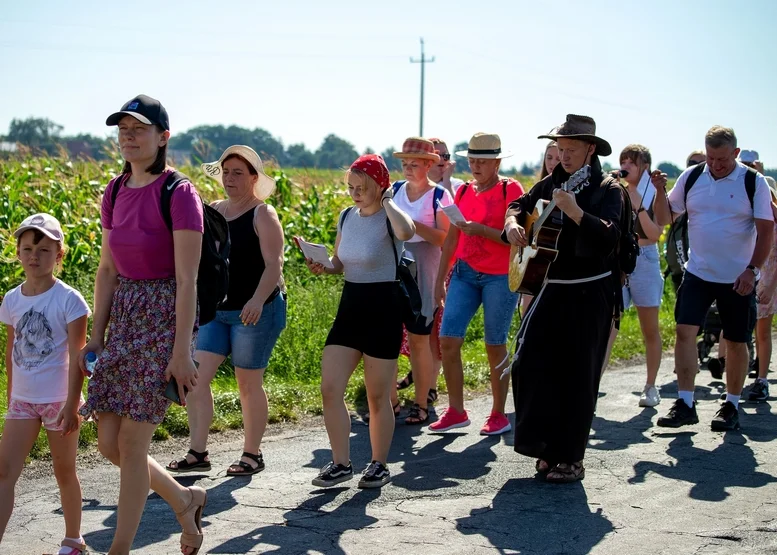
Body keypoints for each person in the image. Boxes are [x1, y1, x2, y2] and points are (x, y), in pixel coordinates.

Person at [78, 95, 207, 555]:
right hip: (125, 315)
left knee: (133, 443)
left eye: (139, 129)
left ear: (162, 137)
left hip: (165, 315)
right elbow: (107, 270)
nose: (129, 138)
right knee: (109, 444)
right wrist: (96, 337)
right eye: (123, 131)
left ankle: (119, 549)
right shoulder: (113, 191)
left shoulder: (179, 192)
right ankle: (185, 499)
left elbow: (188, 278)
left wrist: (181, 350)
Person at [503, 114, 624, 482]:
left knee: (578, 375)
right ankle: (544, 447)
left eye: (570, 150)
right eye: (559, 149)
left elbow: (610, 237)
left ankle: (571, 457)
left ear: (590, 149)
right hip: (551, 287)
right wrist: (511, 224)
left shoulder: (608, 189)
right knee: (530, 364)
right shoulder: (550, 182)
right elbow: (518, 206)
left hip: (591, 291)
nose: (563, 156)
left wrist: (575, 212)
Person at [167, 146, 286, 476]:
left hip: (256, 310)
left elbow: (274, 264)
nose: (230, 178)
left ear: (253, 179)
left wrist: (257, 301)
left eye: (238, 173)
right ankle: (198, 452)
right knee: (196, 379)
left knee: (247, 383)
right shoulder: (212, 211)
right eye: (226, 172)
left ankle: (252, 454)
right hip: (216, 311)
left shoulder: (263, 214)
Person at [652, 126, 773, 432]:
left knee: (735, 340)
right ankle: (685, 402)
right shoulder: (692, 177)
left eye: (722, 159)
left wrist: (753, 270)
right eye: (710, 158)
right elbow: (666, 217)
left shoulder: (751, 181)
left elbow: (766, 228)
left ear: (735, 153)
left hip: (738, 275)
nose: (716, 165)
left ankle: (731, 404)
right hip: (699, 271)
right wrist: (657, 192)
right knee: (684, 331)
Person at [306, 154, 415, 489]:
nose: (354, 193)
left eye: (361, 187)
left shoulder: (390, 218)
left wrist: (388, 202)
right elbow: (341, 261)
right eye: (350, 187)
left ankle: (379, 464)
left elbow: (407, 232)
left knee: (377, 396)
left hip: (384, 307)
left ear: (379, 186)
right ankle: (341, 463)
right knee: (330, 387)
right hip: (350, 306)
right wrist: (325, 265)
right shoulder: (346, 217)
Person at [0, 214, 90, 554]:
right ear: (19, 253)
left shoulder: (70, 300)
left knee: (64, 470)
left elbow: (77, 355)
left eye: (43, 249)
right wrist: (11, 397)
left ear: (59, 254)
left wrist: (71, 405)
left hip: (58, 400)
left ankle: (73, 540)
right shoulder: (12, 300)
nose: (34, 256)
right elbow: (12, 350)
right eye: (27, 249)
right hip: (22, 401)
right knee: (4, 471)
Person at [431, 133, 524, 435]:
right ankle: (456, 410)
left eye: (482, 161)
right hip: (464, 273)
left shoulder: (511, 189)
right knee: (448, 340)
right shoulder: (462, 193)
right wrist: (440, 279)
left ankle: (499, 413)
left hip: (499, 276)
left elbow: (515, 237)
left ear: (497, 162)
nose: (476, 166)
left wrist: (481, 230)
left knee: (495, 343)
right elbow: (453, 238)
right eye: (472, 160)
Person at [388, 138, 452, 425]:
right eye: (404, 164)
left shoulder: (439, 196)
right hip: (396, 265)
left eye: (414, 164)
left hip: (425, 266)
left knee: (419, 339)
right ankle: (389, 401)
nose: (408, 169)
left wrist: (414, 227)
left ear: (429, 164)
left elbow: (445, 238)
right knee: (388, 334)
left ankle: (421, 401)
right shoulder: (396, 191)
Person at [609, 145, 664, 407]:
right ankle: (592, 384)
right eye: (623, 160)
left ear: (644, 167)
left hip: (645, 258)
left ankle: (651, 386)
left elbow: (654, 234)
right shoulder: (613, 188)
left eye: (632, 161)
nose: (625, 165)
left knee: (649, 328)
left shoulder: (653, 193)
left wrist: (637, 205)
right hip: (618, 261)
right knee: (608, 325)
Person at [740, 150, 777, 401]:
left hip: (767, 279)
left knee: (762, 332)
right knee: (742, 332)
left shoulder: (770, 212)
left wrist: (771, 286)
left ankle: (761, 380)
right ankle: (739, 379)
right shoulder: (742, 207)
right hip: (744, 277)